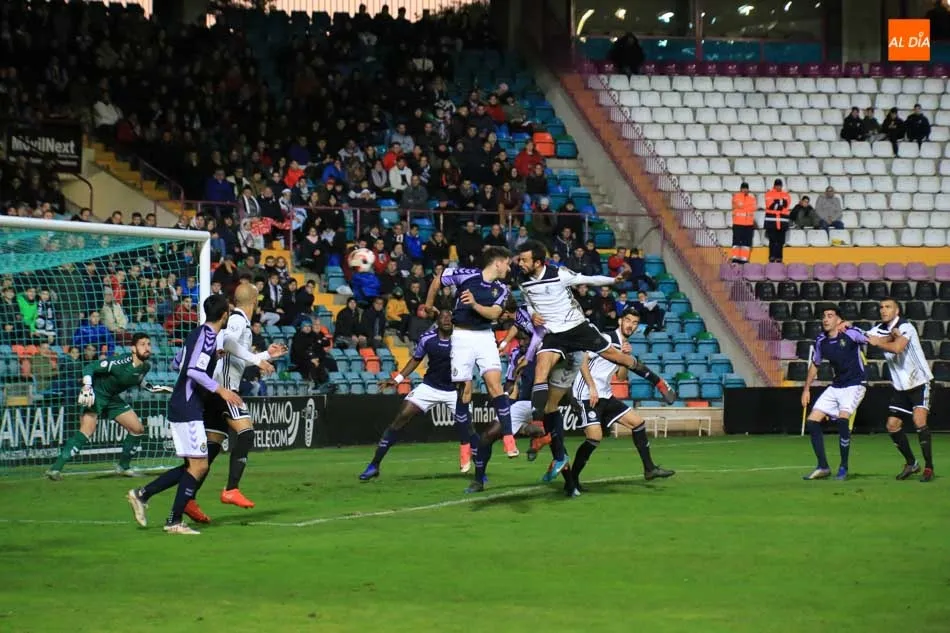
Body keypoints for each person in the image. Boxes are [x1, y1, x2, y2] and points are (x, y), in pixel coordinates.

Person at [515, 239, 676, 483]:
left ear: (537, 261)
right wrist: (532, 313)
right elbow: (529, 300)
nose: (520, 262)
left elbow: (586, 279)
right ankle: (539, 425)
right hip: (555, 335)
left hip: (577, 328)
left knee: (618, 357)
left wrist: (614, 281)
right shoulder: (522, 279)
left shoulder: (558, 274)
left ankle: (659, 382)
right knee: (541, 368)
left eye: (524, 259)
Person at [126, 295, 244, 535]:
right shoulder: (209, 337)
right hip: (188, 405)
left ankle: (143, 495)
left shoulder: (197, 333)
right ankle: (173, 521)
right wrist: (221, 390)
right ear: (224, 316)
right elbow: (192, 370)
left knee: (194, 465)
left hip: (186, 403)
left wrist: (212, 357)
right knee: (199, 466)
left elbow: (176, 362)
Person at [181, 282, 287, 524]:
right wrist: (254, 357)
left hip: (216, 390)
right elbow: (226, 341)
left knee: (212, 448)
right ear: (255, 302)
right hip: (225, 391)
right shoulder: (238, 320)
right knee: (246, 433)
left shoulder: (241, 322)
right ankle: (231, 489)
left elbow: (235, 358)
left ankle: (188, 496)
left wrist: (265, 356)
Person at [423, 246, 516, 493]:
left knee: (495, 385)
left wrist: (474, 304)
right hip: (462, 337)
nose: (509, 268)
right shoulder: (465, 274)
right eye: (507, 263)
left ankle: (508, 438)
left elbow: (495, 313)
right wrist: (429, 303)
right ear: (498, 263)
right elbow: (438, 279)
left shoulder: (503, 289)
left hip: (485, 336)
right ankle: (465, 444)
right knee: (464, 391)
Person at [571, 309, 675, 495]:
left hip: (605, 394)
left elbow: (620, 376)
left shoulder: (623, 344)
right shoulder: (606, 338)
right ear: (620, 321)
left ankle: (649, 469)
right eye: (627, 320)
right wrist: (592, 386)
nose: (630, 325)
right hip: (587, 393)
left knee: (638, 423)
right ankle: (572, 479)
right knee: (594, 437)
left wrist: (623, 360)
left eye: (634, 322)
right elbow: (582, 359)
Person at [359, 311, 468, 479]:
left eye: (449, 317)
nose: (447, 319)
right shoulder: (428, 339)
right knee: (401, 417)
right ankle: (374, 465)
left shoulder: (462, 340)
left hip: (453, 390)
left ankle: (480, 474)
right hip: (429, 387)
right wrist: (397, 379)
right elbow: (416, 359)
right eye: (443, 317)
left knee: (469, 429)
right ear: (437, 321)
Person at [46, 333, 170, 480]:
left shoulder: (145, 366)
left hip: (112, 399)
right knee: (87, 430)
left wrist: (157, 388)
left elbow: (140, 381)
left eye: (148, 344)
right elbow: (90, 367)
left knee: (137, 429)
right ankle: (55, 469)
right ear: (133, 348)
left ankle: (123, 467)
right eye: (142, 344)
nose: (147, 347)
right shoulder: (120, 361)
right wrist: (87, 386)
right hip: (97, 395)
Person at [864, 298, 936, 482]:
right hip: (900, 387)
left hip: (920, 382)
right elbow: (864, 337)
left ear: (897, 311)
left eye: (888, 307)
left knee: (919, 420)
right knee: (892, 426)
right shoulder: (878, 329)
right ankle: (911, 463)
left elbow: (897, 348)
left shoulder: (906, 327)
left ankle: (929, 467)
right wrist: (845, 327)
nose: (883, 310)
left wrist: (879, 342)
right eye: (881, 307)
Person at [800, 307, 869, 481]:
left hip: (855, 385)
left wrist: (852, 325)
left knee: (843, 419)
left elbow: (868, 338)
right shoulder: (821, 340)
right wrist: (806, 389)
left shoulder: (850, 334)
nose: (825, 319)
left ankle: (843, 467)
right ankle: (823, 467)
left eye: (830, 316)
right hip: (836, 386)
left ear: (839, 320)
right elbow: (815, 364)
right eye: (824, 316)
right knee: (812, 421)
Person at [763, 178, 791, 263]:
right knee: (772, 240)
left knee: (780, 241)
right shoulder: (769, 193)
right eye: (777, 185)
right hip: (772, 222)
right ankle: (771, 257)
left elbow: (787, 204)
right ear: (774, 185)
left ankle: (779, 258)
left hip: (782, 222)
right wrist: (780, 203)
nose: (778, 187)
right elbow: (770, 205)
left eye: (780, 185)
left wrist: (776, 202)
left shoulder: (786, 194)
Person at [730, 182, 756, 264]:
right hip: (738, 223)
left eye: (746, 188)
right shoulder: (736, 197)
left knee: (746, 243)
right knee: (736, 242)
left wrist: (743, 206)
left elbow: (753, 207)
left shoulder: (751, 198)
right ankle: (735, 259)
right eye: (743, 188)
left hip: (748, 224)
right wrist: (745, 206)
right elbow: (739, 205)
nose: (745, 190)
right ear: (740, 189)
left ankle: (744, 259)